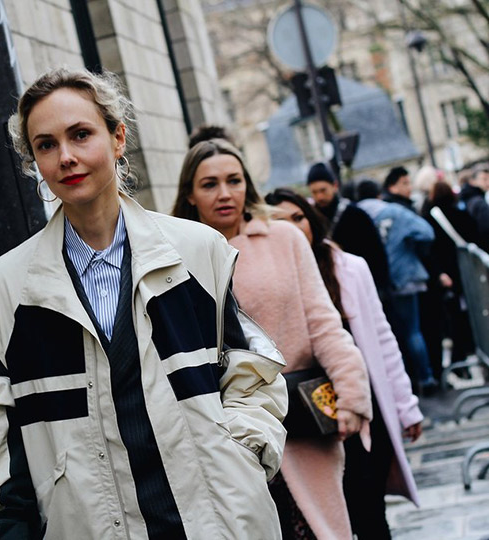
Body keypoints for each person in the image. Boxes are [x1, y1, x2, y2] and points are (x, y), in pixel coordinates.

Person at [0, 68, 289, 539]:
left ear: (118, 139)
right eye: (46, 145)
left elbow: (249, 377)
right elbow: (4, 447)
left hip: (215, 523)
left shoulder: (197, 250)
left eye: (80, 134)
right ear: (33, 160)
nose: (67, 157)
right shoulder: (7, 288)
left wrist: (239, 460)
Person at [173, 138, 371, 540]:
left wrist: (352, 394)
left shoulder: (284, 238)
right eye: (209, 184)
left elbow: (323, 322)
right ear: (190, 194)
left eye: (235, 180)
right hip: (224, 435)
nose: (225, 193)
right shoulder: (173, 253)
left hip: (298, 420)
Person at [266, 188, 424, 539]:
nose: (293, 228)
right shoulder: (269, 279)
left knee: (370, 513)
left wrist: (405, 406)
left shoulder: (349, 268)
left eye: (298, 218)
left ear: (311, 219)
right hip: (310, 422)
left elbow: (383, 340)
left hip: (362, 411)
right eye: (280, 221)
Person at [357, 179, 437, 393]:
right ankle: (426, 377)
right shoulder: (394, 211)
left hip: (374, 284)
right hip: (404, 276)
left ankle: (402, 382)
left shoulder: (355, 215)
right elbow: (426, 232)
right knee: (413, 331)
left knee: (388, 335)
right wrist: (412, 247)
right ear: (379, 194)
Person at [306, 162, 391, 295]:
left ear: (334, 186)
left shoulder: (355, 214)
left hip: (360, 284)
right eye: (314, 192)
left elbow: (375, 253)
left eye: (323, 190)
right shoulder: (311, 219)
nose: (319, 197)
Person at [422, 181, 479, 376]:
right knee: (465, 315)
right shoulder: (459, 214)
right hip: (463, 273)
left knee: (456, 317)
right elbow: (475, 236)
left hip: (447, 274)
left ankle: (460, 360)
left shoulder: (430, 216)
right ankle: (462, 358)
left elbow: (430, 249)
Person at [459, 164, 489, 251]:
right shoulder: (478, 202)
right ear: (473, 181)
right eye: (484, 179)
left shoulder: (468, 197)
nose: (488, 183)